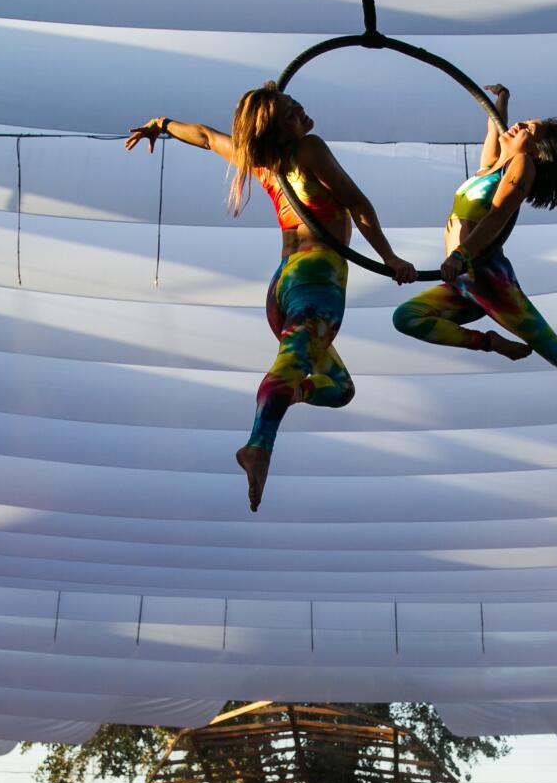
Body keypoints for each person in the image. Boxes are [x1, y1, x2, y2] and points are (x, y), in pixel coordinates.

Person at [125, 89, 417, 511]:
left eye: (295, 104)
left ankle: (291, 396)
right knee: (291, 364)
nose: (300, 110)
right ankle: (259, 445)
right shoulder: (307, 149)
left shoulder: (263, 163)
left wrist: (163, 124)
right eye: (288, 112)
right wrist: (389, 257)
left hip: (281, 289)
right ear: (276, 129)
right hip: (317, 279)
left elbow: (207, 138)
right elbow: (357, 203)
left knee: (340, 389)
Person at [391, 84, 557, 461]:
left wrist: (462, 255)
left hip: (487, 280)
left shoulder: (522, 168)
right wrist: (499, 103)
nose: (516, 126)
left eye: (528, 129)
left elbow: (496, 217)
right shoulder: (490, 168)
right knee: (406, 317)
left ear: (536, 149)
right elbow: (493, 133)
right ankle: (492, 343)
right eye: (520, 123)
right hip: (462, 282)